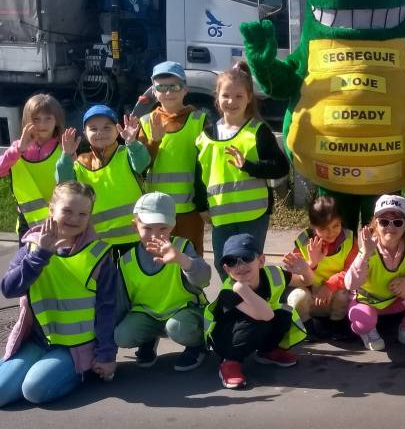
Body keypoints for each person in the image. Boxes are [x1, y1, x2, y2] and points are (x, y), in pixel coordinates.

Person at [0, 181, 117, 408]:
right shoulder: (32, 247)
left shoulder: (99, 254)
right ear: (51, 209)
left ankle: (82, 372)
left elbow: (107, 310)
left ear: (89, 216)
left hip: (77, 347)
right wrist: (40, 257)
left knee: (33, 390)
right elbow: (8, 289)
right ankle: (32, 366)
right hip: (38, 340)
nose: (74, 218)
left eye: (82, 214)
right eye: (67, 211)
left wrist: (106, 356)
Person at [195, 63, 289, 278]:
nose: (232, 101)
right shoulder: (206, 135)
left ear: (249, 98)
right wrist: (201, 206)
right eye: (226, 95)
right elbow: (199, 176)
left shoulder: (258, 131)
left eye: (239, 96)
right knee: (223, 265)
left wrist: (249, 166)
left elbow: (281, 167)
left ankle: (253, 300)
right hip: (221, 215)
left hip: (253, 215)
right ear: (217, 97)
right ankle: (231, 300)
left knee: (249, 267)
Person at [115, 192, 210, 372]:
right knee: (122, 335)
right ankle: (148, 339)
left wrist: (182, 259)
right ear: (135, 226)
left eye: (162, 229)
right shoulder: (126, 260)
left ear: (172, 226)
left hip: (185, 312)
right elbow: (120, 303)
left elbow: (204, 279)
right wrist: (106, 354)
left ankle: (198, 345)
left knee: (177, 327)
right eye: (147, 228)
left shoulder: (182, 247)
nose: (155, 236)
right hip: (149, 315)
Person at [204, 233, 309, 389]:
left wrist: (305, 270)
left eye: (246, 258)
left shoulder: (274, 273)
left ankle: (267, 351)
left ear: (261, 261)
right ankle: (230, 362)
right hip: (225, 339)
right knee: (257, 321)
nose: (240, 266)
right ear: (226, 269)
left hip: (256, 323)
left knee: (284, 314)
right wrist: (241, 289)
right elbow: (266, 315)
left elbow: (305, 281)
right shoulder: (229, 291)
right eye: (231, 261)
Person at [137, 61, 209, 253]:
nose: (168, 92)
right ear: (154, 91)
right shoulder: (145, 122)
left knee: (191, 257)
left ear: (185, 89)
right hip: (156, 211)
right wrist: (154, 141)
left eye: (174, 86)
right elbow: (140, 167)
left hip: (190, 210)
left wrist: (203, 203)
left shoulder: (199, 120)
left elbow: (207, 165)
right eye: (161, 87)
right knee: (159, 259)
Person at [344, 195, 405, 351]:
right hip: (368, 301)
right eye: (384, 222)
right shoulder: (369, 248)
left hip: (396, 300)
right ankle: (368, 331)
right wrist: (365, 255)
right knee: (363, 321)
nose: (391, 227)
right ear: (376, 224)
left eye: (397, 222)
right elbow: (350, 284)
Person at [57, 105, 149, 244]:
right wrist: (66, 156)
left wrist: (132, 142)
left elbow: (142, 162)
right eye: (93, 129)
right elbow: (63, 184)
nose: (100, 132)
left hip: (136, 238)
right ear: (85, 133)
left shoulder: (127, 153)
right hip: (99, 244)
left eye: (107, 127)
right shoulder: (80, 163)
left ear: (117, 130)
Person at [0, 94, 67, 240]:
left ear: (57, 120)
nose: (42, 124)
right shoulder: (18, 148)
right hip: (27, 220)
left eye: (48, 118)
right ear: (27, 121)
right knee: (26, 255)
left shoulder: (63, 148)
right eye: (36, 119)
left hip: (56, 218)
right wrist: (18, 149)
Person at [285, 195, 356, 338]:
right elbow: (293, 278)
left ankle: (337, 326)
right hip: (311, 297)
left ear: (341, 221)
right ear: (313, 225)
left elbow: (352, 271)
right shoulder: (303, 243)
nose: (331, 232)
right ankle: (307, 327)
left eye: (336, 225)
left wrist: (329, 286)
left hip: (335, 298)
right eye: (324, 228)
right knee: (296, 297)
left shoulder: (349, 240)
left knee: (344, 293)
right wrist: (311, 264)